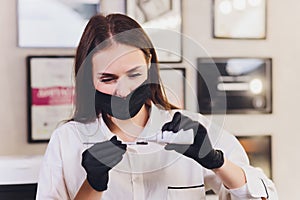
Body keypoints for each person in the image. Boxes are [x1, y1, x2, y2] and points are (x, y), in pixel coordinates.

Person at [36, 13, 278, 200]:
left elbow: (264, 196)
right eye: (108, 79)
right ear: (88, 78)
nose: (123, 91)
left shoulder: (193, 130)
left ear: (149, 64)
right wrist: (93, 184)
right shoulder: (67, 141)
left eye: (134, 74)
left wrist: (216, 160)